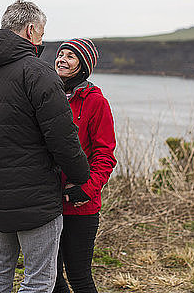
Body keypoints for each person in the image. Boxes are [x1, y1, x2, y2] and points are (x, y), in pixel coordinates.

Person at [0, 0, 90, 293]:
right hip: (37, 196)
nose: (42, 40)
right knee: (39, 280)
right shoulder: (38, 73)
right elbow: (63, 139)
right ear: (31, 30)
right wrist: (82, 176)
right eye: (42, 32)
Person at [52, 38, 117, 293]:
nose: (62, 59)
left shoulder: (95, 102)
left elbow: (105, 155)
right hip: (48, 203)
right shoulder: (47, 96)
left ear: (83, 66)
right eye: (61, 54)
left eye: (70, 56)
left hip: (81, 206)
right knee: (52, 278)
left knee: (79, 277)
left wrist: (86, 189)